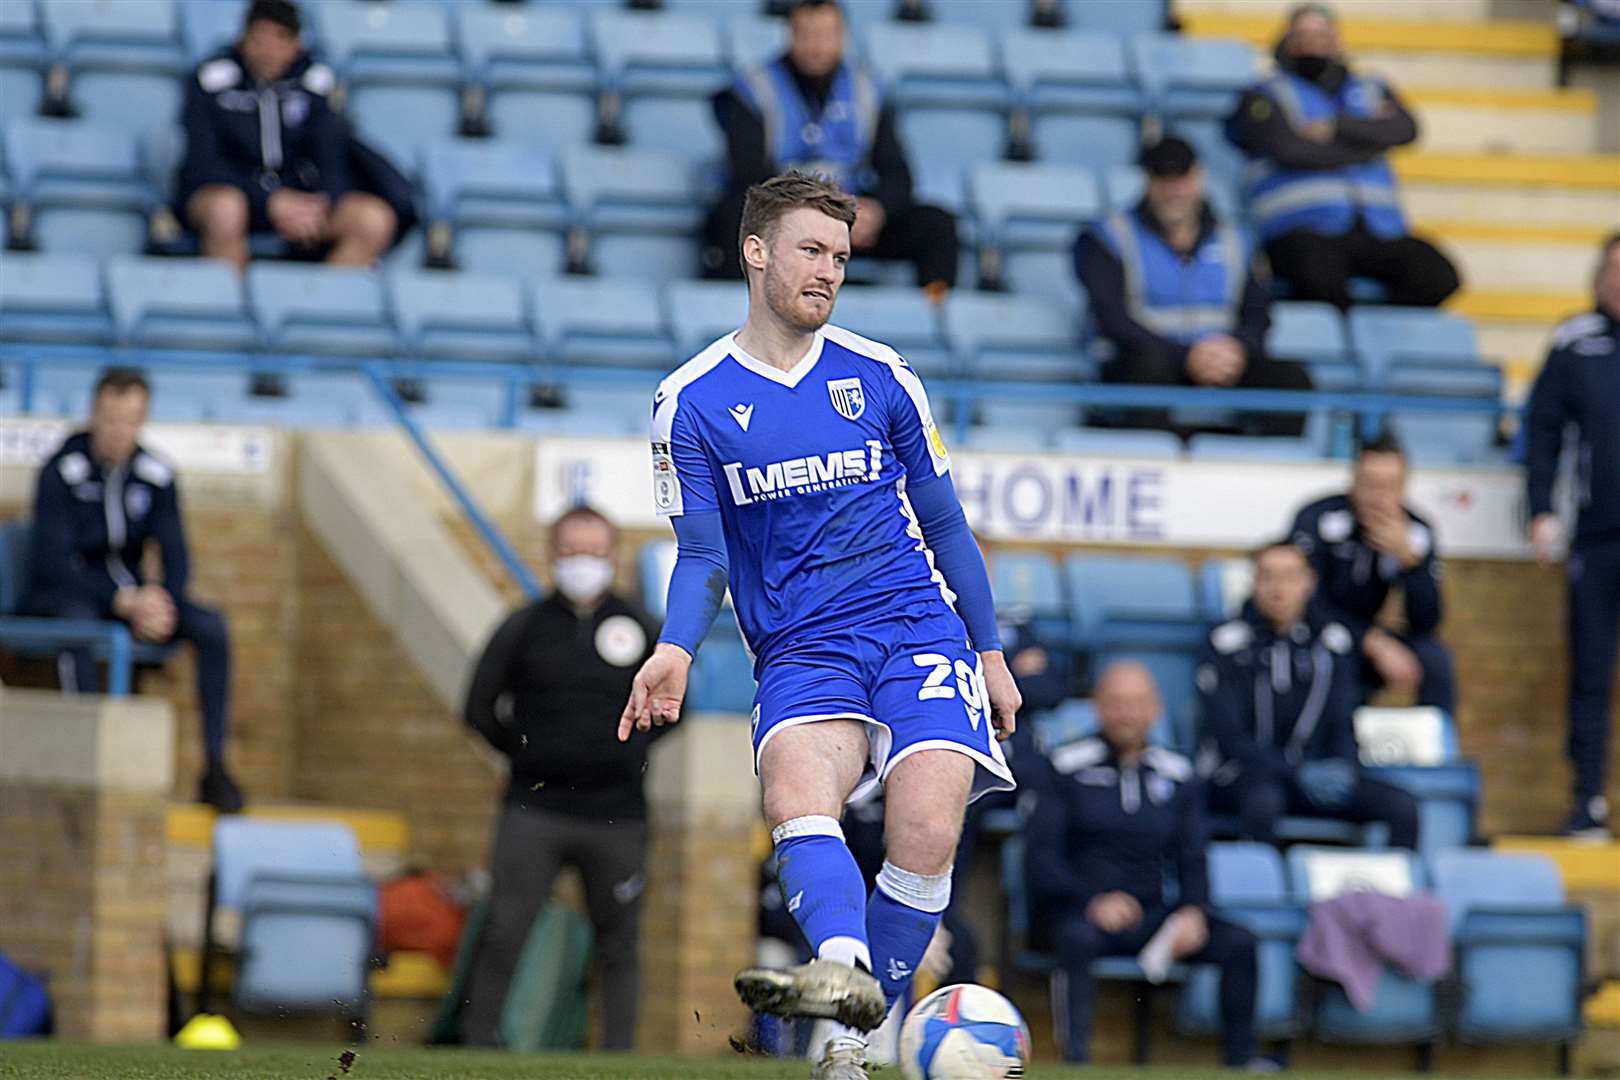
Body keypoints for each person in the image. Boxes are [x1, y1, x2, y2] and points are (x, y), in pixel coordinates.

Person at [619, 171, 1019, 1080]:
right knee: (796, 800)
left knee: (926, 828)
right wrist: (675, 647)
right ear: (755, 251)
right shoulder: (692, 401)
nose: (829, 271)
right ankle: (843, 975)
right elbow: (704, 554)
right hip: (802, 647)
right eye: (811, 250)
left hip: (917, 626)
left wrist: (989, 652)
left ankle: (851, 1035)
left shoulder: (883, 376)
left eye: (840, 256)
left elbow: (948, 523)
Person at [458, 506, 662, 1049]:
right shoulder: (524, 627)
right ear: (552, 554)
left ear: (613, 555)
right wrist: (528, 757)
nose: (584, 563)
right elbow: (478, 708)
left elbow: (673, 707)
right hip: (534, 810)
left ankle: (618, 1055)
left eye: (595, 552)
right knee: (504, 931)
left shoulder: (641, 626)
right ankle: (477, 1046)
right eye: (572, 551)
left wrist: (625, 753)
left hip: (619, 816)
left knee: (618, 943)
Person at [23, 369, 243, 813]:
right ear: (93, 414)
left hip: (134, 601)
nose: (118, 430)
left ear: (142, 419)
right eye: (109, 418)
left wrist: (161, 601)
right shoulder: (61, 471)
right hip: (69, 597)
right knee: (78, 626)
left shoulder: (156, 474)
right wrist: (118, 600)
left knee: (213, 629)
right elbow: (51, 562)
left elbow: (177, 555)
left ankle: (215, 765)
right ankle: (84, 760)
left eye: (128, 420)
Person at [1025, 661, 1261, 1068]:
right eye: (1116, 703)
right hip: (1080, 911)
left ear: (1155, 709)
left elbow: (1192, 858)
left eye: (1137, 703)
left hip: (1151, 915)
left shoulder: (1178, 774)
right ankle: (1074, 1061)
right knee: (1075, 939)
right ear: (1097, 706)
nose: (1128, 714)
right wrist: (1091, 900)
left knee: (1240, 942)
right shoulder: (1064, 767)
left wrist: (1193, 911)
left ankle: (1241, 1063)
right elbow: (1040, 860)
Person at [702, 0, 959, 301]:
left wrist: (875, 209)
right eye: (806, 34)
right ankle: (749, 314)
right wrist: (808, 211)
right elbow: (748, 172)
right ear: (791, 35)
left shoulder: (867, 89)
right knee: (733, 216)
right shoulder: (754, 88)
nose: (816, 45)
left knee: (936, 225)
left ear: (842, 36)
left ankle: (935, 312)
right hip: (784, 213)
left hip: (850, 218)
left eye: (825, 34)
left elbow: (896, 172)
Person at [1073, 136, 1312, 438]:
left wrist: (1236, 348)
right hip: (1149, 358)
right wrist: (1186, 355)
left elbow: (1259, 310)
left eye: (1182, 178)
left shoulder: (1235, 238)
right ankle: (1154, 459)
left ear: (1198, 177)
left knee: (1291, 379)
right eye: (1163, 179)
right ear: (1147, 180)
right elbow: (1112, 317)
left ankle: (1272, 468)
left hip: (1223, 359)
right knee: (1144, 371)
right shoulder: (1108, 237)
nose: (1174, 190)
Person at [1225, 3, 1459, 310]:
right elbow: (1288, 149)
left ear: (1338, 41)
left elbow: (1406, 130)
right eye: (1304, 34)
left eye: (1322, 34)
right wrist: (1369, 144)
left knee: (1438, 274)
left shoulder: (1371, 87)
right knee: (1318, 275)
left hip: (1378, 229)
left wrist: (1337, 127)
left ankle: (1375, 337)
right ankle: (1343, 343)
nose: (1313, 43)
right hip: (1301, 230)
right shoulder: (1263, 94)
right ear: (1286, 39)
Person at [1200, 540, 1420, 850]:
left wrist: (1344, 767)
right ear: (1255, 583)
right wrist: (1295, 772)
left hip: (1317, 774)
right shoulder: (1224, 644)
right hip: (1245, 777)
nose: (1279, 588)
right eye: (1268, 576)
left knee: (1402, 805)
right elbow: (1230, 738)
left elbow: (1343, 721)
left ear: (1308, 583)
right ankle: (1263, 891)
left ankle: (1398, 896)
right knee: (1264, 801)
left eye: (1289, 576)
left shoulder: (1332, 644)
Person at [177, 0, 396, 270]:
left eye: (279, 39)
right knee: (225, 209)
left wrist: (320, 203)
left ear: (296, 45)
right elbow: (203, 162)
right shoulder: (211, 82)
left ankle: (321, 303)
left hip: (300, 201)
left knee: (372, 219)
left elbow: (333, 159)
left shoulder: (316, 84)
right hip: (236, 194)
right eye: (260, 38)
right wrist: (267, 200)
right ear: (243, 39)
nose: (268, 50)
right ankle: (230, 305)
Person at [1524, 232, 1620, 839]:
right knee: (1589, 672)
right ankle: (1586, 799)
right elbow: (1541, 431)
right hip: (1599, 538)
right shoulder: (1575, 342)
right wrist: (1541, 510)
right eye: (1614, 268)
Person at [1289, 433, 1454, 713]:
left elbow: (1427, 622)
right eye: (1370, 484)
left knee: (1434, 658)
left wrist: (1410, 564)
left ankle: (1435, 749)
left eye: (1389, 486)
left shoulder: (1416, 532)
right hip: (1318, 630)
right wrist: (1370, 641)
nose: (1378, 498)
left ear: (1404, 488)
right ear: (1354, 482)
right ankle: (1340, 750)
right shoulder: (1317, 518)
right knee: (1336, 652)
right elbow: (1305, 602)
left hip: (1370, 634)